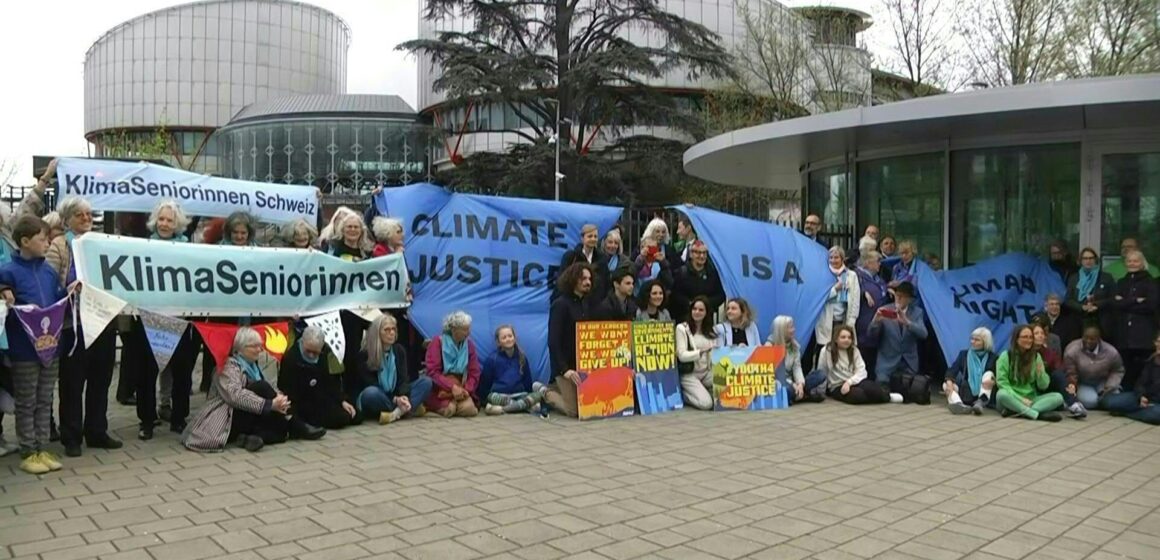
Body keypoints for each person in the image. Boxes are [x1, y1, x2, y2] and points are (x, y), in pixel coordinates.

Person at [48, 196, 121, 457]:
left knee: (101, 379)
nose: (86, 219)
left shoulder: (100, 244)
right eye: (80, 215)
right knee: (72, 382)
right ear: (67, 219)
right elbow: (49, 283)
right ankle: (72, 435)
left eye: (89, 215)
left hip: (102, 321)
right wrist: (66, 290)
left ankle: (97, 431)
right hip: (73, 325)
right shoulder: (58, 246)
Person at [0, 216, 72, 474]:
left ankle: (42, 447)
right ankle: (27, 449)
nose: (47, 243)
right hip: (24, 349)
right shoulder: (8, 271)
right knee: (27, 400)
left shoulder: (48, 271)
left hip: (51, 346)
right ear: (25, 241)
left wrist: (70, 291)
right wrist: (4, 288)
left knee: (45, 398)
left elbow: (59, 298)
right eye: (43, 239)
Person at [183, 327, 325, 453]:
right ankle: (295, 425)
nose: (259, 350)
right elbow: (235, 396)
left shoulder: (252, 366)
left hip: (248, 413)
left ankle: (246, 438)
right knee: (261, 387)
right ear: (240, 348)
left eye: (260, 346)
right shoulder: (228, 367)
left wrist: (279, 398)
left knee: (279, 435)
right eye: (255, 346)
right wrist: (269, 404)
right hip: (227, 415)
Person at [136, 200, 198, 439]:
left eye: (169, 220)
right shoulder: (143, 246)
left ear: (177, 224)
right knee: (146, 373)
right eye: (161, 219)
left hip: (179, 318)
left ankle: (179, 418)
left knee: (182, 371)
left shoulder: (189, 249)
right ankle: (147, 421)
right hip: (150, 317)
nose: (164, 223)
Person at [355, 315, 433, 424]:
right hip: (381, 396)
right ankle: (408, 409)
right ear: (377, 333)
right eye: (387, 330)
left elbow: (403, 379)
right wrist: (396, 399)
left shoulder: (399, 350)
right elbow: (370, 383)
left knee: (426, 382)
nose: (391, 333)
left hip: (397, 395)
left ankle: (396, 413)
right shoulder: (366, 354)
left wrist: (403, 396)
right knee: (370, 393)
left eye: (393, 329)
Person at [278, 326, 359, 429]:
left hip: (322, 397)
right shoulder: (291, 358)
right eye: (308, 351)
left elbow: (331, 382)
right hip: (301, 402)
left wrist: (341, 400)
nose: (311, 356)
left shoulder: (325, 354)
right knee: (340, 418)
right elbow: (286, 389)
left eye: (315, 353)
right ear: (302, 343)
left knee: (355, 413)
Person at [544, 263, 594, 418]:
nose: (588, 282)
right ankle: (545, 392)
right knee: (574, 411)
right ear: (573, 280)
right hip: (564, 368)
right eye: (583, 278)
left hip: (582, 365)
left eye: (589, 279)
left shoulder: (586, 303)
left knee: (589, 406)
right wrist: (564, 370)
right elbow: (553, 341)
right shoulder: (560, 304)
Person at [995, 325, 1064, 422]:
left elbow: (1043, 386)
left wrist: (1040, 374)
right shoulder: (1006, 356)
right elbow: (1002, 384)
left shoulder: (1036, 357)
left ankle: (1018, 412)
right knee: (1001, 394)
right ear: (1017, 339)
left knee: (1058, 397)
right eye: (1025, 337)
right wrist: (1020, 399)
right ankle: (1035, 414)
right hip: (1011, 398)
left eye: (1031, 337)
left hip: (1031, 399)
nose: (1029, 340)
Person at [1111, 249, 1158, 389]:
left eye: (1135, 261)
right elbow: (1116, 304)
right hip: (1124, 335)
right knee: (1126, 370)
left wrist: (1126, 302)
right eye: (1129, 261)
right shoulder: (1121, 282)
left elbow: (1151, 306)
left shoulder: (1151, 282)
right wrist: (1136, 300)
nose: (1132, 263)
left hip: (1143, 336)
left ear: (1142, 263)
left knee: (1142, 370)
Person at [820, 325, 898, 404]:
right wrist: (821, 391)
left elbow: (862, 371)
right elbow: (822, 371)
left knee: (874, 390)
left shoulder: (854, 350)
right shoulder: (826, 351)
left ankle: (886, 396)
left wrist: (849, 382)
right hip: (837, 385)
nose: (846, 340)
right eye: (843, 337)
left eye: (849, 337)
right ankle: (876, 398)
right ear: (836, 339)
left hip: (855, 381)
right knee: (858, 396)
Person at [869, 281, 927, 387]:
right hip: (887, 363)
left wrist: (908, 323)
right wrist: (876, 321)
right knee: (882, 391)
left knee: (910, 392)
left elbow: (924, 334)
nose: (899, 299)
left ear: (910, 299)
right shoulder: (885, 309)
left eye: (903, 296)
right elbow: (871, 335)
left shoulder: (917, 312)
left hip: (908, 364)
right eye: (897, 295)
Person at [425, 311, 481, 418]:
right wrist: (452, 387)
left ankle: (452, 405)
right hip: (440, 388)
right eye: (465, 329)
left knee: (470, 410)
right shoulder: (437, 342)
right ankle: (442, 406)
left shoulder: (469, 345)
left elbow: (474, 373)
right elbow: (432, 372)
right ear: (454, 329)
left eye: (469, 329)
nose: (468, 332)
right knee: (449, 410)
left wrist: (467, 389)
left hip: (462, 387)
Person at [479, 326, 546, 415]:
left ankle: (503, 410)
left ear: (515, 338)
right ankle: (523, 407)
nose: (508, 339)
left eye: (510, 336)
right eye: (504, 337)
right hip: (501, 396)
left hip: (520, 395)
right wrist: (484, 400)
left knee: (540, 393)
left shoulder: (522, 357)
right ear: (498, 342)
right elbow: (485, 384)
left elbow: (527, 381)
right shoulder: (492, 359)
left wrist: (530, 395)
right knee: (491, 397)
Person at [1059, 325, 1125, 415]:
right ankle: (1104, 403)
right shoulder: (1072, 350)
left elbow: (1118, 370)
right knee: (1091, 401)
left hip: (1103, 382)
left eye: (1092, 339)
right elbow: (1071, 373)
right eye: (1086, 338)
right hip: (1083, 383)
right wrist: (1072, 390)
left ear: (1099, 339)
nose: (1088, 341)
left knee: (1114, 397)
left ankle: (1107, 402)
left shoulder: (1111, 351)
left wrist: (1110, 386)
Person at [813, 246, 860, 368]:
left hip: (843, 319)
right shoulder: (822, 275)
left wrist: (851, 322)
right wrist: (835, 289)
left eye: (836, 257)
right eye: (831, 257)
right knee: (824, 350)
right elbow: (818, 298)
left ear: (842, 259)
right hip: (826, 320)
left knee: (842, 351)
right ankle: (822, 381)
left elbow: (855, 300)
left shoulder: (851, 275)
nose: (833, 260)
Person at [1103, 331, 1160, 425]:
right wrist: (1141, 396)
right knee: (1109, 402)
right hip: (1142, 397)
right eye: (1158, 341)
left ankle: (1128, 413)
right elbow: (1140, 382)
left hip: (1157, 402)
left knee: (1156, 415)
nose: (1159, 345)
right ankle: (1141, 410)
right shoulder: (1151, 360)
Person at [768, 316, 826, 403]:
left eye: (793, 327)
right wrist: (792, 384)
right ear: (782, 329)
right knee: (788, 390)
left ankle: (799, 394)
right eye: (790, 327)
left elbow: (797, 368)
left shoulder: (794, 346)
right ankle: (802, 395)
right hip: (778, 382)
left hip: (792, 380)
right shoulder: (770, 345)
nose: (793, 330)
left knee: (821, 375)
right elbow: (775, 373)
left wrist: (800, 384)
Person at [676, 298, 719, 410]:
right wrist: (700, 352)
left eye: (701, 310)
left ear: (706, 312)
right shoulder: (682, 328)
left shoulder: (710, 330)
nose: (697, 312)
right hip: (689, 373)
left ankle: (704, 390)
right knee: (706, 404)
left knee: (728, 381)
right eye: (694, 309)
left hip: (707, 372)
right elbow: (681, 355)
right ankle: (683, 396)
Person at [943, 328, 998, 415]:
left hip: (985, 390)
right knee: (946, 384)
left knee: (989, 374)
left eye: (977, 340)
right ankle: (959, 404)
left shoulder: (993, 357)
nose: (973, 342)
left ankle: (980, 402)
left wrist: (993, 382)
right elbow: (953, 369)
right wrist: (949, 382)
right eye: (972, 339)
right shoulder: (964, 354)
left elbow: (999, 377)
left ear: (985, 342)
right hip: (967, 392)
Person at [671, 240, 725, 324]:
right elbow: (675, 295)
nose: (702, 256)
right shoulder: (681, 273)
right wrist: (691, 304)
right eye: (698, 252)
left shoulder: (713, 273)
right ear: (691, 254)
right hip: (685, 319)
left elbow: (721, 295)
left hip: (707, 320)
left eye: (704, 253)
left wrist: (705, 304)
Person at [1064, 247, 1114, 334]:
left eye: (1091, 258)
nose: (1088, 261)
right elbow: (1068, 300)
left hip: (1101, 322)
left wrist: (1097, 305)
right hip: (1078, 322)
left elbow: (1112, 298)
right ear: (1081, 261)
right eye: (1085, 258)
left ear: (1095, 260)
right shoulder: (1074, 278)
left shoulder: (1106, 278)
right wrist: (1081, 307)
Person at [854, 250, 888, 375]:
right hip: (863, 325)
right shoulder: (857, 276)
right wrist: (863, 292)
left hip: (878, 326)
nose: (880, 264)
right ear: (868, 263)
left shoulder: (879, 279)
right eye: (878, 261)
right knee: (864, 360)